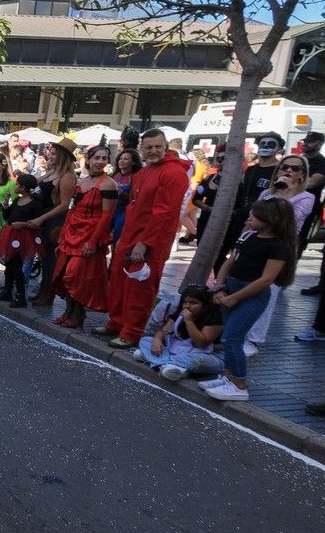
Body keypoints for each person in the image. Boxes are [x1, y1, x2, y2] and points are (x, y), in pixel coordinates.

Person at [96, 130, 192, 349]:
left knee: (139, 287)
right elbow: (135, 207)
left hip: (150, 241)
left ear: (166, 146)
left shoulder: (173, 173)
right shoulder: (146, 172)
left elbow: (164, 213)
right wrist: (124, 238)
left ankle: (131, 332)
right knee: (120, 282)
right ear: (142, 149)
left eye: (158, 146)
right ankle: (117, 322)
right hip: (131, 236)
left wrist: (144, 242)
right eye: (149, 147)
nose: (153, 151)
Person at [201, 197, 297, 402]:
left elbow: (267, 279)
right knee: (228, 336)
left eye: (256, 214)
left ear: (273, 218)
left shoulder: (279, 246)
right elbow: (230, 261)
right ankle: (228, 377)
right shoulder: (248, 236)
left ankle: (239, 384)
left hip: (251, 295)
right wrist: (220, 287)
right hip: (230, 289)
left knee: (232, 338)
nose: (250, 217)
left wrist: (235, 297)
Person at [245, 155, 314, 353]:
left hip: (279, 249)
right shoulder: (267, 192)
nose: (289, 171)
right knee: (246, 287)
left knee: (268, 292)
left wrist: (285, 194)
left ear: (302, 174)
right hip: (255, 245)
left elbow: (286, 220)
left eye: (295, 168)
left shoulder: (306, 198)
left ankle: (254, 339)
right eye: (285, 166)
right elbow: (253, 218)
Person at [51, 145, 117, 330]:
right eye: (97, 158)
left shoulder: (108, 184)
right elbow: (72, 210)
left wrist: (93, 241)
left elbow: (106, 217)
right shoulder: (81, 182)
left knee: (77, 276)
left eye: (104, 158)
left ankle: (79, 314)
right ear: (88, 160)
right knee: (65, 274)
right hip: (72, 233)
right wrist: (64, 234)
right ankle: (69, 310)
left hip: (89, 236)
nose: (100, 162)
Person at [214, 131, 283, 274]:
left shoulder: (279, 171)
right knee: (225, 252)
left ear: (279, 148)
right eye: (262, 143)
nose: (265, 147)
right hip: (240, 217)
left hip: (261, 221)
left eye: (271, 144)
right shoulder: (251, 169)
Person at [24, 138, 79, 309]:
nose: (50, 155)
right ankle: (43, 290)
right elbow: (34, 183)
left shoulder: (68, 176)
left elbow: (64, 204)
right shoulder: (51, 172)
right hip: (44, 217)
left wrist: (41, 219)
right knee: (43, 256)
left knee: (50, 259)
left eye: (54, 153)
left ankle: (49, 293)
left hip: (55, 220)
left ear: (62, 156)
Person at [133, 284, 224, 381]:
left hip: (207, 355)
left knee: (198, 361)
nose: (187, 306)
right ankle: (175, 367)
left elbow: (200, 343)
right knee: (146, 341)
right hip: (175, 352)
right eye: (185, 302)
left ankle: (159, 362)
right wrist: (157, 340)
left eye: (194, 303)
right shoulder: (180, 313)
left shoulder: (214, 318)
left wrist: (189, 321)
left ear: (205, 305)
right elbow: (162, 332)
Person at [0, 173, 46, 307]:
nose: (15, 186)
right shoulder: (17, 200)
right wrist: (5, 204)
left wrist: (24, 224)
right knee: (9, 264)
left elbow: (40, 222)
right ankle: (7, 291)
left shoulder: (35, 204)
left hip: (24, 237)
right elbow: (7, 216)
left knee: (16, 266)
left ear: (23, 187)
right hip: (11, 235)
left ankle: (21, 296)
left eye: (17, 184)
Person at [299, 131, 325, 258]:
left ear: (320, 143)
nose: (305, 143)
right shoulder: (297, 160)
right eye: (305, 141)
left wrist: (289, 181)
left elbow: (312, 183)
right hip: (285, 206)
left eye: (310, 141)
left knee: (297, 243)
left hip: (306, 209)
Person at [110, 148, 141, 245]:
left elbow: (137, 200)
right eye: (120, 158)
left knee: (118, 241)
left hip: (124, 214)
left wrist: (122, 192)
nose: (122, 161)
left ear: (133, 162)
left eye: (126, 159)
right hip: (111, 212)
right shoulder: (114, 175)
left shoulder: (136, 177)